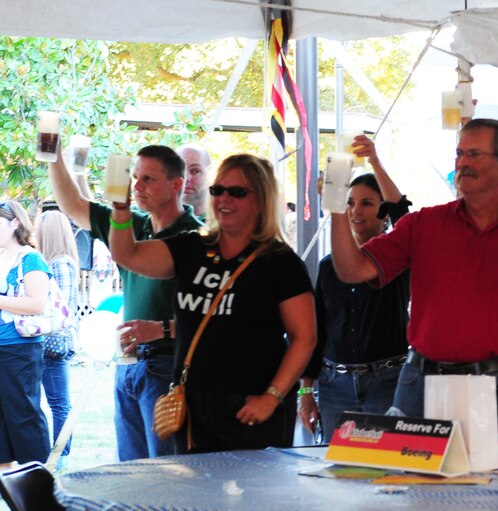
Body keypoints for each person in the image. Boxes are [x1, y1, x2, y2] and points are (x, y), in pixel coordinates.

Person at [331, 119, 498, 442]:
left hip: (494, 386)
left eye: (474, 154)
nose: (462, 162)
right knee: (406, 474)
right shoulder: (425, 223)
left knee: (493, 476)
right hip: (419, 382)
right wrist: (335, 206)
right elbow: (352, 270)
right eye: (459, 153)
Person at [109, 153, 316, 453]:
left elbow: (304, 338)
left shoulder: (280, 262)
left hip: (251, 410)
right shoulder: (192, 247)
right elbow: (127, 254)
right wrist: (120, 208)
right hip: (193, 409)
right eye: (218, 190)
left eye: (237, 192)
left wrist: (272, 397)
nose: (223, 199)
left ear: (261, 200)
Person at [49, 144, 203, 460]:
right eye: (134, 177)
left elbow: (213, 317)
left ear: (176, 185)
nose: (137, 186)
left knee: (166, 467)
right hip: (128, 362)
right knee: (130, 467)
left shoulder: (196, 238)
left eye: (148, 179)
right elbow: (73, 205)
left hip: (169, 363)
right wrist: (53, 153)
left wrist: (163, 329)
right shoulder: (130, 225)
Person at [300, 136, 411, 442]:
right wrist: (306, 391)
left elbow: (403, 215)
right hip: (334, 384)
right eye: (348, 202)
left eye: (366, 203)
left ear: (383, 211)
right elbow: (317, 329)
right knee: (335, 466)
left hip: (386, 381)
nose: (355, 211)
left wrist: (375, 161)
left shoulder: (399, 259)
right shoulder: (328, 266)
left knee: (383, 462)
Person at [0, 200, 52, 465]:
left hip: (20, 347)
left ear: (15, 223)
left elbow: (36, 304)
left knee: (23, 413)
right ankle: (7, 480)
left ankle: (37, 476)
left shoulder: (30, 258)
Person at [36, 209, 80, 469]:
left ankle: (61, 455)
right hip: (51, 343)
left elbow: (57, 309)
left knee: (59, 402)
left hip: (54, 344)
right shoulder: (55, 262)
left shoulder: (60, 264)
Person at [177, 144, 211, 220]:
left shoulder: (221, 221)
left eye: (195, 171)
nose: (186, 178)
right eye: (180, 170)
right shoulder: (154, 220)